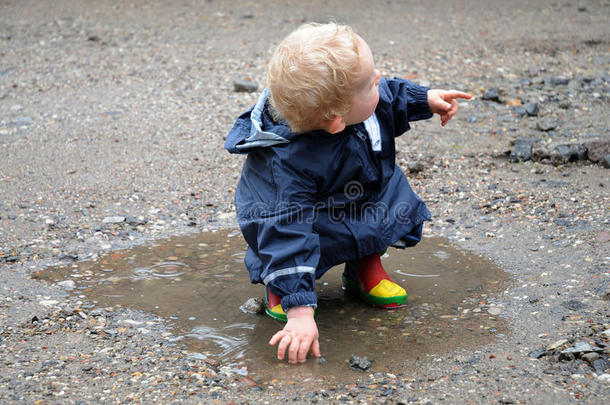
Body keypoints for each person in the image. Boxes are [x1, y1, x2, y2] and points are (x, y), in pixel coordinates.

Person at [225, 22, 471, 364]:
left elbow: (390, 95)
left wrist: (425, 100)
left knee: (386, 208)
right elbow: (285, 231)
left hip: (366, 193)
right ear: (338, 121)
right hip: (311, 217)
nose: (380, 79)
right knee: (289, 246)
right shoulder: (285, 165)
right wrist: (300, 314)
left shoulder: (362, 101)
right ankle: (285, 289)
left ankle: (364, 267)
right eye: (370, 81)